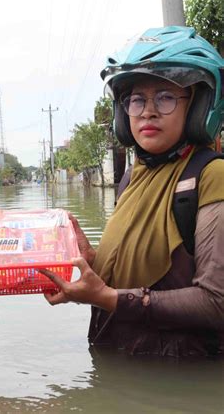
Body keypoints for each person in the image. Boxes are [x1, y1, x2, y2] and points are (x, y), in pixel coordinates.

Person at [40, 26, 224, 357]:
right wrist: (89, 266)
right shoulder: (132, 177)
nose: (147, 111)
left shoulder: (211, 176)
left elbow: (216, 302)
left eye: (166, 97)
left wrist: (107, 298)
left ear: (198, 106)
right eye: (136, 99)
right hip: (116, 366)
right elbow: (127, 279)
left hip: (175, 387)